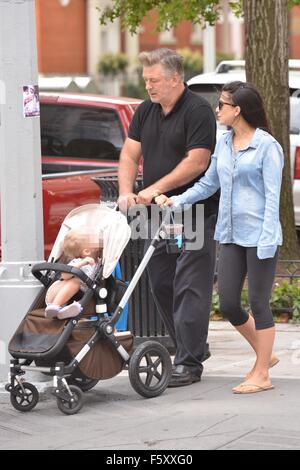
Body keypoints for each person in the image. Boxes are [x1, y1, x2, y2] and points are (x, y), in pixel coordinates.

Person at [155, 81, 283, 394]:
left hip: (260, 235)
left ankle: (262, 371)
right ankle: (266, 353)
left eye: (223, 104)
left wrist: (267, 241)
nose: (217, 109)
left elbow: (272, 197)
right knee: (228, 303)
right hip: (230, 234)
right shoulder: (224, 144)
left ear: (238, 110)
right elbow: (209, 184)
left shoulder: (267, 146)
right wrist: (178, 200)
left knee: (258, 302)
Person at [118, 48, 219, 387]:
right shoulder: (145, 111)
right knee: (160, 281)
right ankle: (192, 346)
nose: (148, 86)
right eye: (146, 80)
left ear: (176, 79)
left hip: (190, 210)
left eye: (154, 80)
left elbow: (198, 161)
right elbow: (131, 153)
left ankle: (189, 363)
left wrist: (155, 188)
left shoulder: (198, 111)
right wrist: (125, 191)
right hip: (152, 212)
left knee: (189, 284)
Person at [45, 228, 103, 320]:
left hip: (75, 297)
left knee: (80, 303)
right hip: (57, 293)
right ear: (86, 251)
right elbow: (64, 275)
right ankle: (54, 306)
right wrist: (82, 263)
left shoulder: (99, 261)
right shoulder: (77, 261)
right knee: (75, 282)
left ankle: (62, 313)